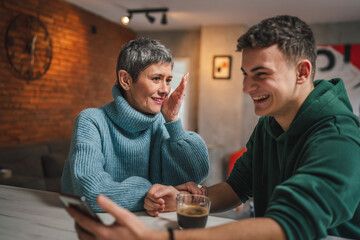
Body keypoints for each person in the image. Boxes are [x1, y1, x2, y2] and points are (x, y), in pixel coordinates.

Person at [65, 15, 360, 240]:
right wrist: (187, 199)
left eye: (260, 74)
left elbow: (290, 223)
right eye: (245, 74)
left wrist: (163, 237)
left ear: (302, 72)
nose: (246, 87)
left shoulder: (338, 135)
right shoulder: (270, 123)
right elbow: (237, 187)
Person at [61, 38, 209, 212]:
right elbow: (90, 193)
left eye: (168, 80)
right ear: (125, 80)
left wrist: (173, 121)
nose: (165, 89)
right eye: (156, 78)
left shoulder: (162, 123)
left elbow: (195, 174)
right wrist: (156, 193)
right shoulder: (91, 121)